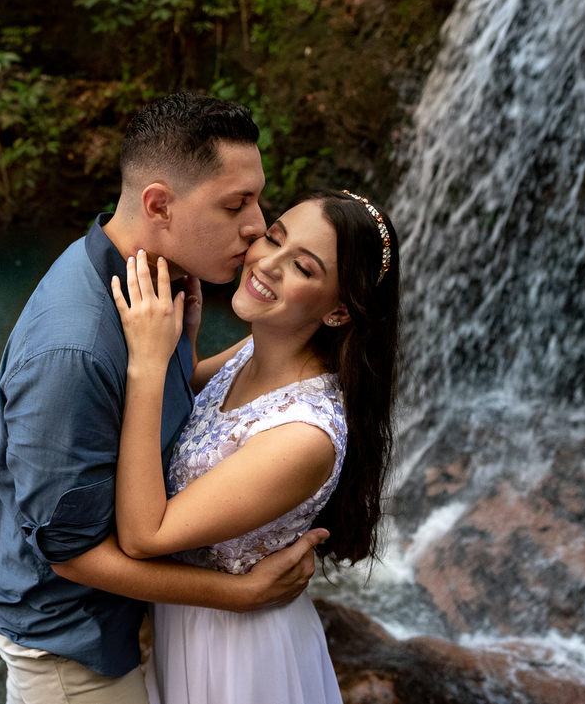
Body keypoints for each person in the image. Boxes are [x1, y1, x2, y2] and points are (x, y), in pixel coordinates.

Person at [0, 93, 330, 704]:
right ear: (159, 204)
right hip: (70, 653)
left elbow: (145, 419)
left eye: (256, 197)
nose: (255, 226)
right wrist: (240, 594)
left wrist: (181, 351)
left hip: (118, 629)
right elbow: (68, 554)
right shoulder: (75, 350)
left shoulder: (146, 291)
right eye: (235, 204)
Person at [110, 189, 399, 704]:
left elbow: (143, 535)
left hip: (238, 658)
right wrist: (184, 344)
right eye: (273, 237)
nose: (267, 263)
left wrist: (150, 363)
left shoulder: (303, 437)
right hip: (190, 627)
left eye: (303, 268)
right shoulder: (252, 350)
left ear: (337, 311)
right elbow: (185, 421)